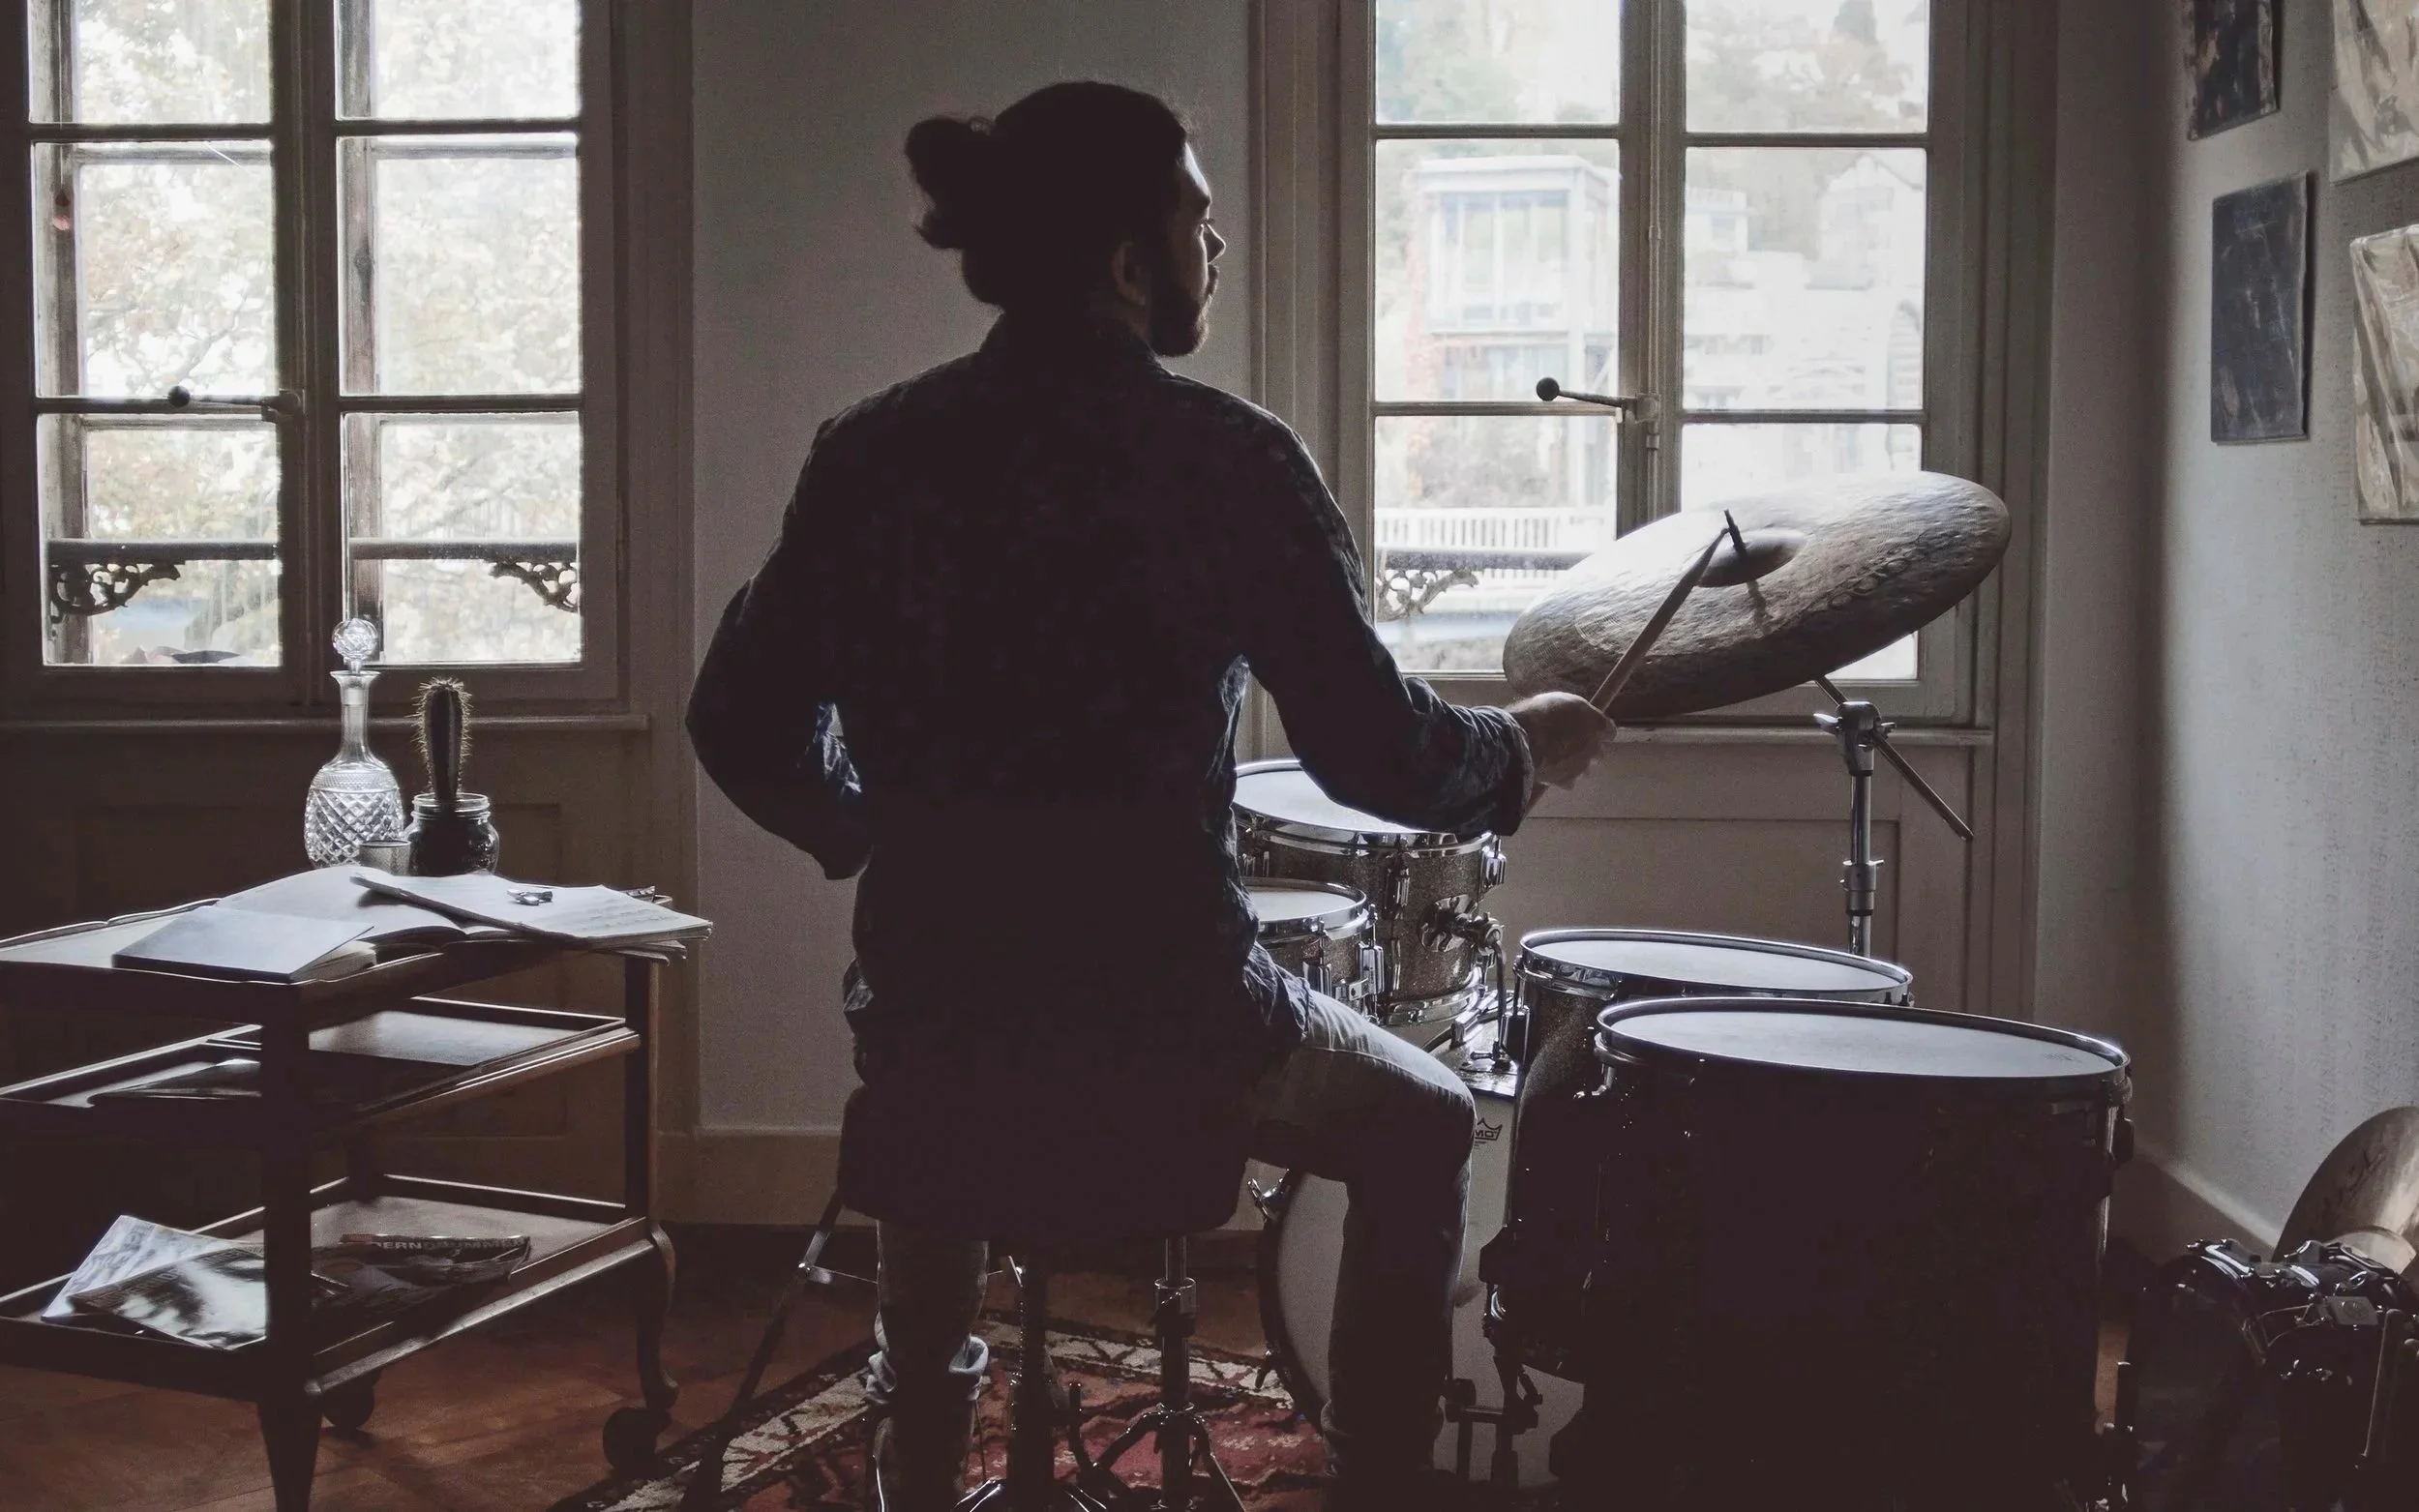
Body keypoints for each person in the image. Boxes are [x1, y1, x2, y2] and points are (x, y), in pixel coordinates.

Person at [686, 80, 1610, 1512]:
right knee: (1427, 1118)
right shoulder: (1230, 461)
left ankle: (915, 1476)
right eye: (1199, 215)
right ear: (1128, 263)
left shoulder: (870, 452)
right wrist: (1514, 758)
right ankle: (1378, 1484)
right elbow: (1374, 750)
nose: (1217, 245)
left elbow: (736, 717)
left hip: (940, 1009)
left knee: (934, 1107)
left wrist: (857, 824)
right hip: (1169, 1021)